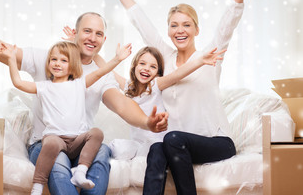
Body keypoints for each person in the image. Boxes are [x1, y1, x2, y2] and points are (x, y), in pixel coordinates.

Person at [0, 0, 168, 195]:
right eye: (87, 31)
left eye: (98, 34)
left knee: (102, 153)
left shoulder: (100, 77)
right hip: (47, 142)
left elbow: (122, 105)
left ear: (104, 39)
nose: (92, 38)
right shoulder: (50, 59)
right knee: (58, 164)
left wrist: (148, 122)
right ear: (75, 32)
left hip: (80, 143)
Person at [109, 0, 257, 194]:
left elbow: (230, 18)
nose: (180, 30)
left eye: (186, 25)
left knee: (171, 139)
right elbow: (140, 20)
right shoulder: (164, 60)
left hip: (215, 142)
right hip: (176, 144)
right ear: (168, 31)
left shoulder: (210, 55)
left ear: (196, 29)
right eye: (174, 25)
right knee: (158, 148)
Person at [0, 40, 131, 194]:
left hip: (77, 141)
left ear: (73, 65)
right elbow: (18, 83)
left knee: (97, 133)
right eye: (53, 59)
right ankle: (37, 185)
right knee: (50, 142)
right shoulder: (43, 86)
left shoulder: (79, 83)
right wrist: (11, 58)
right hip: (56, 139)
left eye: (63, 61)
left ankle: (80, 171)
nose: (57, 64)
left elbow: (101, 72)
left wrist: (118, 59)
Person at [90, 45, 225, 157]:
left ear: (157, 72)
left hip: (157, 143)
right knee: (116, 147)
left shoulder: (155, 85)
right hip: (138, 144)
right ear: (135, 66)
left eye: (153, 67)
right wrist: (91, 51)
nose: (146, 69)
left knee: (149, 151)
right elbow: (107, 70)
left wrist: (200, 61)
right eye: (142, 63)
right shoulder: (128, 86)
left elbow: (178, 74)